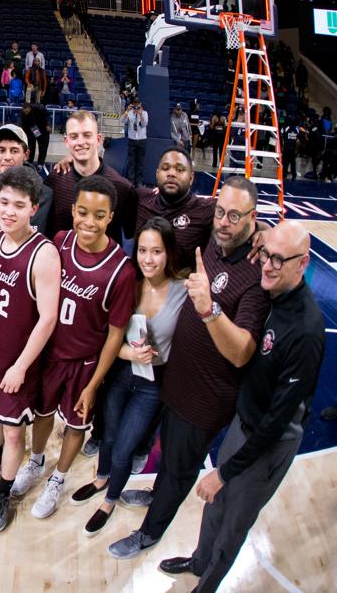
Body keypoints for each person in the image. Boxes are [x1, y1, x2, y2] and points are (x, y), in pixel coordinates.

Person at [108, 177, 269, 559]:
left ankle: (150, 532)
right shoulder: (215, 241)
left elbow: (242, 353)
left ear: (252, 217)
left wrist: (209, 309)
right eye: (220, 212)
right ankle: (155, 494)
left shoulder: (255, 273)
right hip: (176, 380)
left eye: (235, 215)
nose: (224, 222)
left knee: (180, 467)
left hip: (206, 398)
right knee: (169, 454)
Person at [158, 220, 323, 592]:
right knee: (215, 506)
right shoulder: (272, 292)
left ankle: (208, 585)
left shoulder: (306, 330)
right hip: (244, 423)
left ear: (303, 263)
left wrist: (224, 471)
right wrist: (260, 234)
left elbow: (278, 422)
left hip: (268, 441)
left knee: (234, 522)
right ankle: (199, 560)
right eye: (266, 254)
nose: (268, 265)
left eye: (280, 260)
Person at [15, 176, 135, 519]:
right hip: (50, 354)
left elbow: (115, 335)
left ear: (111, 217)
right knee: (41, 414)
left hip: (84, 364)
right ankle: (36, 462)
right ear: (72, 210)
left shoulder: (121, 270)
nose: (89, 222)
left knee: (75, 425)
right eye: (83, 212)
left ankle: (58, 477)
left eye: (99, 215)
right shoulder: (59, 242)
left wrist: (95, 384)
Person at [70, 217, 187, 535]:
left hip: (151, 384)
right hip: (120, 373)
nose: (149, 259)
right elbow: (106, 335)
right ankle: (100, 477)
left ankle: (109, 499)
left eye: (157, 251)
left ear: (169, 253)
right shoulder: (127, 283)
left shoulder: (183, 291)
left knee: (124, 447)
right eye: (144, 251)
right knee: (107, 437)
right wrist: (126, 354)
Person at [0, 166, 60, 532]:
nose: (9, 211)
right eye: (4, 202)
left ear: (34, 208)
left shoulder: (44, 254)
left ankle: (3, 492)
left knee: (15, 431)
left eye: (19, 205)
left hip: (17, 361)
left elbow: (48, 319)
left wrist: (20, 367)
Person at [46, 111, 135, 244]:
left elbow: (133, 235)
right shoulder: (54, 180)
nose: (80, 142)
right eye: (74, 136)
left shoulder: (122, 188)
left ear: (98, 139)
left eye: (87, 135)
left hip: (104, 264)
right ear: (66, 141)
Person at [0, 125, 53, 234]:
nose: (7, 157)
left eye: (14, 151)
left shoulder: (45, 195)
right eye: (1, 150)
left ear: (26, 154)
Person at [124, 100, 149, 186]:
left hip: (142, 140)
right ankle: (131, 182)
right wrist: (127, 111)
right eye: (135, 107)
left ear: (141, 106)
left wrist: (140, 114)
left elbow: (144, 124)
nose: (136, 109)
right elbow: (122, 120)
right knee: (131, 162)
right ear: (132, 106)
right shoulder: (130, 113)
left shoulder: (145, 113)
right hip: (132, 140)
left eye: (138, 107)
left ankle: (139, 182)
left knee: (140, 163)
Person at [20, 102, 51, 167]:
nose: (25, 113)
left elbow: (48, 115)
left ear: (30, 108)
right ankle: (30, 161)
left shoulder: (39, 108)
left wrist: (48, 124)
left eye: (26, 111)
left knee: (43, 146)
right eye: (24, 111)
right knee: (31, 145)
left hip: (43, 128)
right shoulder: (23, 113)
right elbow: (22, 124)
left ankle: (40, 163)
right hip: (32, 128)